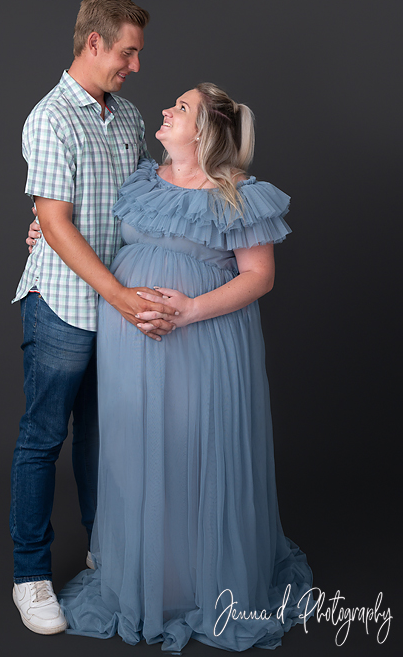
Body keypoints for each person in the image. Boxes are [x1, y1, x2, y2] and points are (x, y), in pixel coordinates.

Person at [48, 82, 314, 651]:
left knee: (194, 452)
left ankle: (201, 583)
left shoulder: (238, 192)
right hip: (130, 347)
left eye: (181, 107)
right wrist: (40, 234)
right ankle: (152, 581)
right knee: (138, 452)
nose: (166, 111)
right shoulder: (143, 179)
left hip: (203, 346)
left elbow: (259, 276)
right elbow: (93, 228)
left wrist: (189, 308)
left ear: (205, 130)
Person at [10, 0, 176, 636]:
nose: (134, 65)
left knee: (104, 438)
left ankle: (106, 554)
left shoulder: (130, 115)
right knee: (42, 438)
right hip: (64, 307)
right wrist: (116, 293)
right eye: (128, 51)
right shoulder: (49, 118)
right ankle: (30, 576)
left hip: (119, 307)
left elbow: (144, 200)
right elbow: (54, 221)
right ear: (94, 44)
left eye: (137, 53)